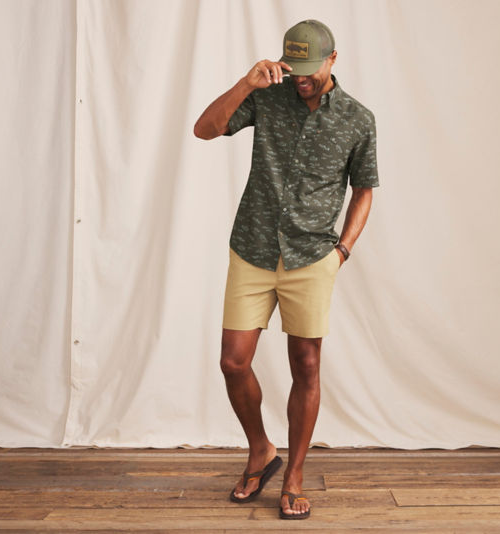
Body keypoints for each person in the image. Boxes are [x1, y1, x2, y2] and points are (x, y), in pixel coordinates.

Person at [193, 19, 379, 520]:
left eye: (308, 70)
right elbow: (204, 129)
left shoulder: (358, 119)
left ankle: (293, 473)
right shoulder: (268, 98)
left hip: (312, 257)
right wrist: (246, 83)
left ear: (332, 60)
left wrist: (342, 250)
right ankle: (261, 451)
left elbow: (364, 189)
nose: (299, 79)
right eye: (291, 68)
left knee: (307, 364)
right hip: (252, 247)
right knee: (233, 361)